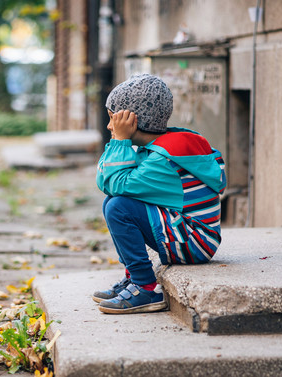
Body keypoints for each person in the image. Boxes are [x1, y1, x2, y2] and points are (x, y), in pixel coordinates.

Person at [94, 73, 227, 314]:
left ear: (132, 120)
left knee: (117, 206)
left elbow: (111, 181)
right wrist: (121, 142)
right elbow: (111, 183)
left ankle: (145, 287)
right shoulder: (163, 148)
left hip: (195, 242)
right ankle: (133, 276)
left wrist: (118, 142)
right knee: (113, 202)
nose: (109, 126)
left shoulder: (162, 161)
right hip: (192, 235)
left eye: (113, 119)